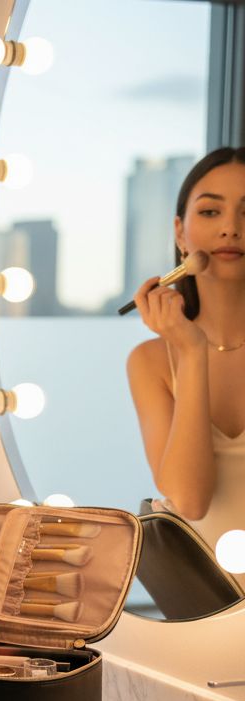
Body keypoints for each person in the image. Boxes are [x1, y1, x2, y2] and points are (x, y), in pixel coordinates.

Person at [127, 147, 245, 590]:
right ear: (181, 232)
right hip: (201, 613)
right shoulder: (151, 361)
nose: (231, 227)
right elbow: (189, 501)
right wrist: (191, 352)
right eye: (211, 211)